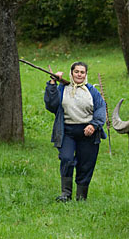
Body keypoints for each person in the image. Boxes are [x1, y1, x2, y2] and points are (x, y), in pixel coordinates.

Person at [44, 61, 106, 202]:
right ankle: (66, 193)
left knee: (86, 163)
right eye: (76, 71)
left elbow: (101, 109)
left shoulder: (91, 91)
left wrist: (94, 125)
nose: (79, 74)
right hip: (67, 131)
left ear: (86, 74)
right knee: (66, 158)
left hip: (88, 132)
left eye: (82, 72)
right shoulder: (63, 88)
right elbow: (51, 105)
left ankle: (81, 196)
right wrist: (53, 84)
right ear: (71, 73)